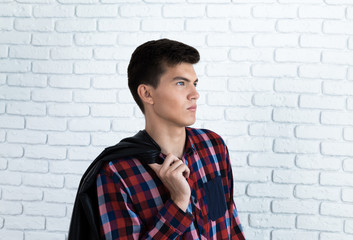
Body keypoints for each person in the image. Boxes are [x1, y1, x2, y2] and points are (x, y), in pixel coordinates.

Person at [70, 39, 246, 240]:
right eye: (181, 83)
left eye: (194, 84)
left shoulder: (213, 147)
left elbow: (230, 224)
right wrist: (179, 202)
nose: (195, 94)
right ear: (147, 93)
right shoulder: (117, 173)